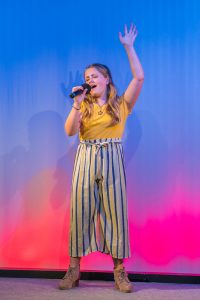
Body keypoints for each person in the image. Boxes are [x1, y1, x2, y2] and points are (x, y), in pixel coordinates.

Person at [59, 23, 144, 293]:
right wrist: (75, 102)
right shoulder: (81, 105)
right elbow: (70, 131)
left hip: (112, 156)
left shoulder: (121, 105)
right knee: (81, 210)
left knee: (115, 212)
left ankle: (119, 271)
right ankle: (74, 270)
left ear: (107, 79)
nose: (90, 79)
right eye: (87, 76)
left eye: (95, 75)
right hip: (86, 155)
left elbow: (139, 78)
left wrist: (129, 47)